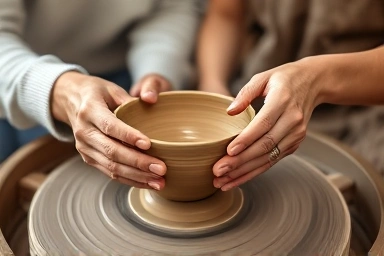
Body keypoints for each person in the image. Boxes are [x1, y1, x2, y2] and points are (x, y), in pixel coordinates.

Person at [0, 0, 202, 191]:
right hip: (26, 71)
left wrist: (157, 70)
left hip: (127, 65)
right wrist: (59, 90)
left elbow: (171, 6)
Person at [197, 0, 384, 191]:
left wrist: (315, 80)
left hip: (362, 105)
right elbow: (226, 15)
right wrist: (213, 83)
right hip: (258, 90)